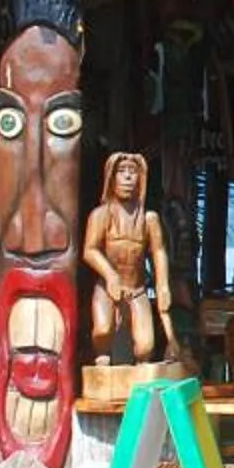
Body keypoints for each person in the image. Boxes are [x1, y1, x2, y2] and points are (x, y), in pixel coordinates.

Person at [80, 151, 177, 365]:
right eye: (121, 172)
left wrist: (163, 286)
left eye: (132, 172)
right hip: (108, 287)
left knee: (145, 348)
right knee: (102, 331)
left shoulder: (149, 219)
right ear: (111, 178)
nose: (127, 177)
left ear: (140, 179)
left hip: (137, 289)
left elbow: (159, 252)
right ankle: (102, 356)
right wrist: (110, 275)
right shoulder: (101, 215)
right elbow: (89, 250)